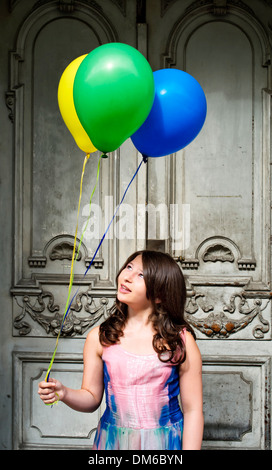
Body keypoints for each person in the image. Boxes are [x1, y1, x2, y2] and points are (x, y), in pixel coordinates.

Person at [38, 250, 203, 450]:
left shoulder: (180, 342)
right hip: (112, 442)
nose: (127, 276)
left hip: (165, 443)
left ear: (160, 294)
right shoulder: (99, 338)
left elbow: (193, 410)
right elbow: (91, 398)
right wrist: (64, 393)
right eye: (129, 267)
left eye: (141, 275)